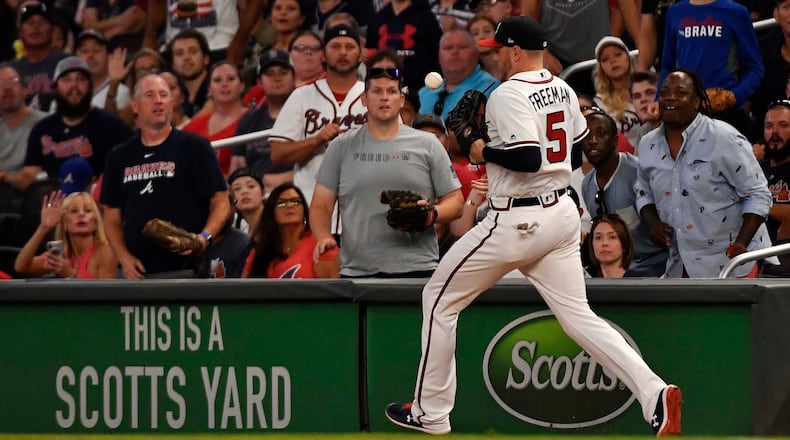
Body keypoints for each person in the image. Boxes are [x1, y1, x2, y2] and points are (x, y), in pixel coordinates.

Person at [384, 17, 682, 437]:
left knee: (438, 298)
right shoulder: (561, 88)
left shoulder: (508, 93)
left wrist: (479, 146)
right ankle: (655, 394)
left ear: (516, 51)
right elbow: (576, 150)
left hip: (517, 219)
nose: (496, 54)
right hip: (559, 213)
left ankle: (430, 412)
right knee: (579, 317)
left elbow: (526, 158)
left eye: (499, 48)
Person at [311, 67, 463, 277]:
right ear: (364, 99)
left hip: (419, 267)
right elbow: (321, 203)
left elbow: (456, 201)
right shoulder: (341, 146)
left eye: (391, 92)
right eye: (377, 92)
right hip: (358, 270)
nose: (384, 98)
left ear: (401, 100)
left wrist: (431, 214)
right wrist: (323, 236)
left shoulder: (428, 144)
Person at [635, 69, 773, 278]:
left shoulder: (723, 137)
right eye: (665, 92)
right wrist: (653, 224)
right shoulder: (647, 144)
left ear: (697, 101)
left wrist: (741, 244)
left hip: (732, 263)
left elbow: (758, 194)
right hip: (680, 263)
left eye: (680, 92)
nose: (671, 97)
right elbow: (643, 190)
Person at [100, 73, 231, 279]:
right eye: (150, 95)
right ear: (135, 106)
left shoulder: (195, 147)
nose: (158, 100)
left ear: (172, 103)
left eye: (163, 95)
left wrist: (203, 238)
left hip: (186, 270)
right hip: (137, 273)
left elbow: (221, 202)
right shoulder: (118, 156)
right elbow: (111, 216)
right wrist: (124, 257)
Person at [269, 24, 368, 236]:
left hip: (365, 217)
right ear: (323, 54)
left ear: (361, 55)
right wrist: (315, 140)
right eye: (335, 46)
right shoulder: (301, 96)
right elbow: (277, 154)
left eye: (350, 47)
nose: (343, 52)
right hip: (312, 215)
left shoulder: (376, 95)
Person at [17, 56, 134, 190]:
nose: (74, 86)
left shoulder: (110, 125)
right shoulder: (42, 128)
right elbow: (30, 173)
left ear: (90, 87)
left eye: (81, 79)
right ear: (54, 88)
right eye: (66, 79)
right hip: (53, 202)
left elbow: (131, 165)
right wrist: (9, 178)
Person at [581, 110, 668, 277]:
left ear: (614, 141)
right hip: (616, 270)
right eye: (587, 136)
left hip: (656, 266)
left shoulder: (637, 172)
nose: (592, 141)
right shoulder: (587, 184)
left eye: (600, 134)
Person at [659, 0, 763, 137]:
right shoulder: (675, 12)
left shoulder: (736, 12)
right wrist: (659, 99)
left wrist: (734, 96)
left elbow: (755, 67)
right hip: (685, 113)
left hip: (727, 115)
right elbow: (667, 66)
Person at [14, 190, 119, 278]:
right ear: (64, 223)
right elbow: (21, 267)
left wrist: (70, 274)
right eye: (73, 211)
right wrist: (43, 228)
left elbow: (103, 296)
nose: (81, 214)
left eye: (87, 210)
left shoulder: (105, 252)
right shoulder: (61, 255)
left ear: (96, 222)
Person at [243, 182, 339, 278]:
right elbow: (244, 289)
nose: (289, 206)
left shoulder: (321, 245)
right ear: (271, 212)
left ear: (304, 210)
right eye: (281, 203)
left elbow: (330, 289)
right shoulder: (261, 251)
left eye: (295, 202)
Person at [230, 49, 296, 187]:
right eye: (269, 74)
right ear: (259, 82)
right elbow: (236, 171)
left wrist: (280, 180)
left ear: (294, 77)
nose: (277, 78)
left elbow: (320, 166)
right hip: (257, 197)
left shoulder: (309, 115)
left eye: (283, 73)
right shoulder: (248, 121)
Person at [183, 61, 248, 176]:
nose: (224, 84)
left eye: (231, 79)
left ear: (242, 85)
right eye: (217, 80)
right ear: (209, 89)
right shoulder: (192, 127)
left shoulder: (253, 119)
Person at [419, 28, 499, 120]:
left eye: (462, 47)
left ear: (476, 53)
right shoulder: (423, 94)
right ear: (439, 56)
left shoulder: (491, 89)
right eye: (448, 48)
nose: (455, 52)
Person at [366, 0, 443, 94]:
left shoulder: (427, 18)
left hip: (419, 90)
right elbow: (371, 55)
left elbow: (436, 56)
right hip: (383, 88)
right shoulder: (378, 19)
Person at [593, 36, 651, 152]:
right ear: (601, 68)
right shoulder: (599, 103)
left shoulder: (650, 87)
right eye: (605, 59)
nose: (613, 61)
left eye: (618, 55)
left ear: (629, 57)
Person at [11, 1, 69, 111]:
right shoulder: (11, 70)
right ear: (20, 32)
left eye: (42, 22)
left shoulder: (67, 63)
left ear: (52, 31)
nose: (36, 27)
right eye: (30, 22)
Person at [758, 99, 790, 276]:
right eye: (769, 126)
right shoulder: (755, 169)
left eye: (783, 125)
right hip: (753, 258)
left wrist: (757, 205)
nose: (774, 133)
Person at [0, 65, 47, 186]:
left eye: (13, 82)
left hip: (35, 196)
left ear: (25, 90)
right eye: (0, 83)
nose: (7, 88)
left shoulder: (46, 123)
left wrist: (7, 178)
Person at [74, 29, 132, 110]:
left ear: (109, 56)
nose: (90, 55)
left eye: (97, 50)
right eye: (84, 51)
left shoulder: (121, 92)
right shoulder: (68, 92)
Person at [588, 213, 634, 278]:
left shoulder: (638, 283)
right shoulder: (585, 283)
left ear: (624, 244)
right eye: (598, 238)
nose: (604, 243)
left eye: (612, 237)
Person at [227, 167, 265, 236]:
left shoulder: (277, 218)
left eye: (251, 186)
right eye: (237, 188)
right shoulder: (231, 225)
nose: (244, 191)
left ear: (263, 192)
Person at [467, 14, 502, 80]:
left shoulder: (509, 63)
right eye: (475, 33)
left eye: (487, 31)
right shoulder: (469, 74)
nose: (482, 36)